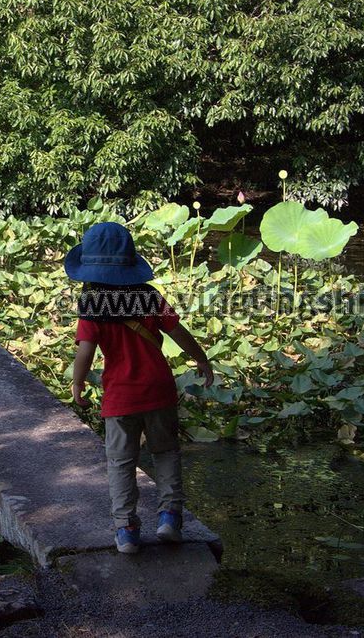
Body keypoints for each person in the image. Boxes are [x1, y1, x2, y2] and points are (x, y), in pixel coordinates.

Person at [65, 221, 213, 554]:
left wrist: (77, 384)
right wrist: (202, 359)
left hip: (120, 396)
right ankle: (170, 517)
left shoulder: (92, 303)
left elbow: (85, 351)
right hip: (158, 388)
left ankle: (128, 530)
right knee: (165, 452)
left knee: (120, 462)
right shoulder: (149, 296)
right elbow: (178, 333)